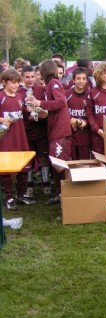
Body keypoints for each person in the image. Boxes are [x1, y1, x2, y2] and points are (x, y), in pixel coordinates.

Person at [26, 59, 72, 205]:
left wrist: (40, 103)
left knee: (60, 165)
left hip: (60, 130)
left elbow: (61, 102)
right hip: (54, 129)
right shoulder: (50, 84)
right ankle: (59, 193)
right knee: (56, 164)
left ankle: (64, 195)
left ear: (45, 71)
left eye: (40, 72)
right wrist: (42, 111)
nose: (39, 75)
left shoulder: (54, 83)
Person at [0, 69, 35, 211]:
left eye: (17, 83)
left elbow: (25, 115)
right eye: (12, 83)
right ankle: (9, 197)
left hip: (20, 136)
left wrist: (34, 113)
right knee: (6, 168)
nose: (15, 86)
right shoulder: (1, 97)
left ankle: (21, 194)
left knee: (24, 166)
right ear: (4, 82)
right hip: (6, 138)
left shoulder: (21, 96)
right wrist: (2, 119)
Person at [18, 65, 51, 198]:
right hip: (26, 130)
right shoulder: (19, 92)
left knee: (43, 158)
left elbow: (46, 106)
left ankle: (46, 184)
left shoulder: (41, 89)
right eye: (27, 77)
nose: (30, 80)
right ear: (22, 77)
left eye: (33, 76)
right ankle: (29, 184)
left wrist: (42, 113)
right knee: (29, 159)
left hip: (41, 129)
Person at [66, 67, 91, 160]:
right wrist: (70, 119)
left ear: (87, 80)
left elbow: (92, 115)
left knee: (84, 163)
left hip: (84, 135)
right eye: (78, 78)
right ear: (73, 80)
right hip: (70, 135)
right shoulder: (67, 94)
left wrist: (86, 122)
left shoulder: (90, 95)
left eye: (84, 78)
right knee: (72, 162)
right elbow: (63, 112)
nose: (81, 81)